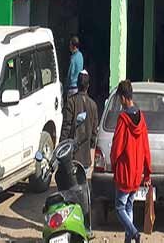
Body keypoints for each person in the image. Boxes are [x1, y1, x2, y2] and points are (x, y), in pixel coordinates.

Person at [110, 80, 152, 243]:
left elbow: (117, 147)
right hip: (136, 173)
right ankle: (128, 241)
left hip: (124, 172)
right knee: (129, 206)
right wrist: (147, 173)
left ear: (122, 97)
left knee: (120, 207)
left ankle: (134, 233)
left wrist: (113, 164)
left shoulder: (122, 119)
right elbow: (146, 148)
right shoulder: (141, 119)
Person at [59, 70, 98, 231]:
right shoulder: (94, 105)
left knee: (68, 191)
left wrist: (61, 146)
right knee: (83, 192)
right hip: (85, 159)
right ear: (88, 86)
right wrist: (91, 146)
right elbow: (94, 133)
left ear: (77, 84)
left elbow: (66, 126)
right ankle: (85, 226)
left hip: (71, 157)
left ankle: (69, 223)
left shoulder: (71, 102)